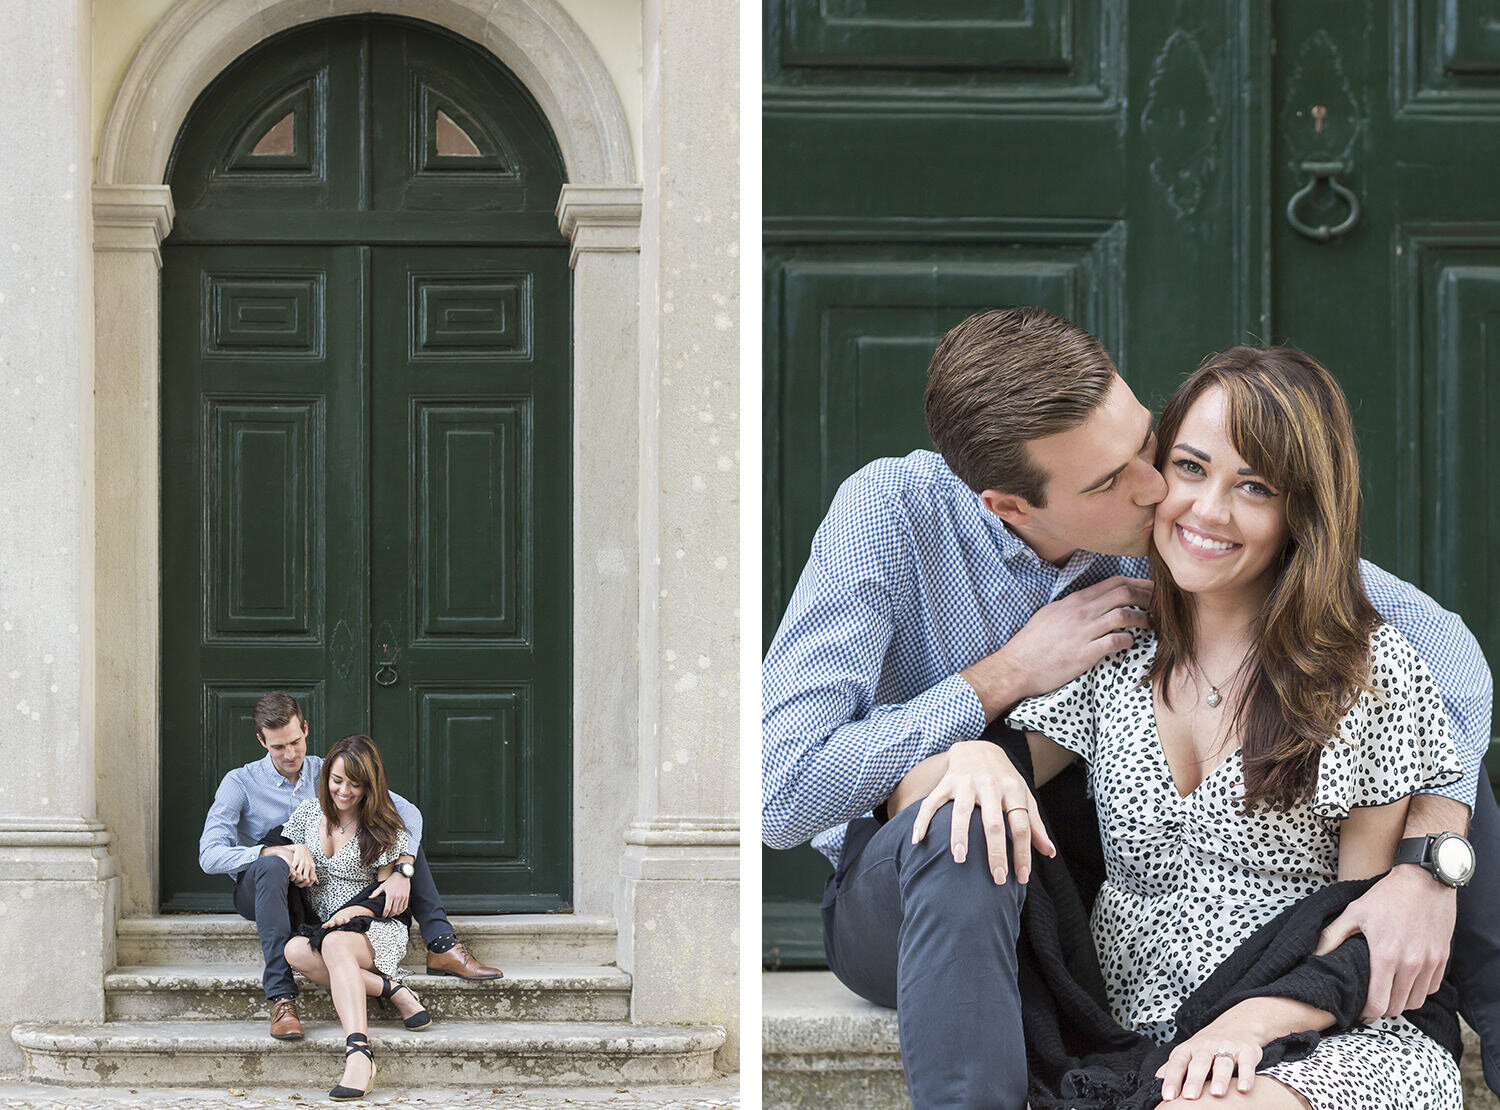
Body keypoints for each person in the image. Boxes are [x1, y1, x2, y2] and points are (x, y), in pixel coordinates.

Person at [761, 308, 1496, 1108]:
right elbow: (780, 793)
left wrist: (1430, 867)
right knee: (963, 829)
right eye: (1115, 480)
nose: (1159, 490)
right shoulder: (893, 515)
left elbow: (1439, 649)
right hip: (907, 879)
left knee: (1406, 734)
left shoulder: (1178, 528)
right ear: (1009, 506)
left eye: (1149, 445)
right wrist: (996, 685)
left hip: (1097, 873)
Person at [198, 691, 501, 1041]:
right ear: (261, 741)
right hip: (263, 890)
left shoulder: (329, 771)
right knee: (271, 868)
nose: (290, 754)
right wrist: (274, 853)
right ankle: (282, 998)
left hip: (318, 895)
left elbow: (408, 814)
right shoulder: (240, 783)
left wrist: (403, 869)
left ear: (306, 729)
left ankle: (441, 944)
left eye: (295, 742)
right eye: (278, 747)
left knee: (401, 842)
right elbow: (210, 855)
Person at [281, 733, 428, 1101]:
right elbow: (275, 844)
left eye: (355, 783)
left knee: (333, 944)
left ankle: (359, 1054)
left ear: (370, 785)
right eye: (337, 780)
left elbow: (389, 900)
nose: (344, 791)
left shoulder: (383, 826)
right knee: (295, 952)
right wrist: (295, 849)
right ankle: (391, 989)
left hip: (374, 927)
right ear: (326, 775)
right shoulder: (309, 814)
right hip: (326, 927)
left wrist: (355, 909)